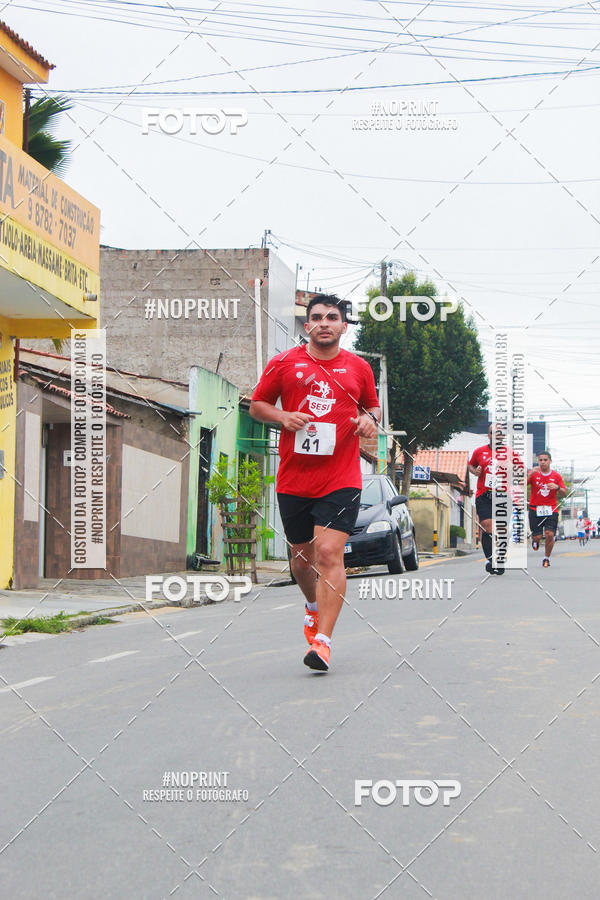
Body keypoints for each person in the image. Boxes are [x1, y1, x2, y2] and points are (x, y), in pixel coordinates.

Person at [249, 294, 380, 672]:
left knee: (328, 554)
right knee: (303, 559)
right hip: (294, 479)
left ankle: (323, 642)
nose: (325, 323)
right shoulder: (285, 363)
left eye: (333, 317)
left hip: (341, 478)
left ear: (343, 326)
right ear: (307, 326)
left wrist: (369, 420)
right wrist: (282, 416)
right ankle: (310, 606)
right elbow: (257, 404)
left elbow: (371, 406)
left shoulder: (358, 368)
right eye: (317, 317)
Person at [468, 424, 524, 575]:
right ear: (489, 435)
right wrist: (475, 471)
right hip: (484, 494)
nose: (497, 436)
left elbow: (521, 471)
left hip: (503, 495)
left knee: (501, 529)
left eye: (500, 433)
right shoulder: (479, 452)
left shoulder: (510, 453)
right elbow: (471, 465)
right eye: (493, 433)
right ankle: (490, 558)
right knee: (488, 527)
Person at [527, 451, 567, 567]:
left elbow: (564, 493)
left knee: (549, 534)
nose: (543, 462)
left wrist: (557, 487)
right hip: (535, 509)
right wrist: (529, 475)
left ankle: (546, 558)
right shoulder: (534, 474)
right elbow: (520, 485)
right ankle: (535, 541)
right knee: (537, 536)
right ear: (538, 461)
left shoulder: (556, 476)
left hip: (551, 509)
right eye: (541, 460)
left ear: (550, 461)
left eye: (545, 460)